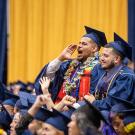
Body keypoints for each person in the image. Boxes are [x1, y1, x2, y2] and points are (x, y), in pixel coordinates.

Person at [34, 26, 107, 102]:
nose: (79, 46)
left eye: (84, 44)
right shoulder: (70, 65)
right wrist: (60, 58)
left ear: (94, 49)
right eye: (79, 43)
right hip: (60, 108)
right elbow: (48, 76)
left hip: (80, 111)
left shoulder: (99, 68)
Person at [84, 33, 135, 111]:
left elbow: (114, 103)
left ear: (116, 59)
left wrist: (93, 102)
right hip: (102, 109)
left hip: (119, 116)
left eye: (106, 56)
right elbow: (96, 95)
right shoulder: (108, 72)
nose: (101, 59)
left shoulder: (126, 76)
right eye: (101, 55)